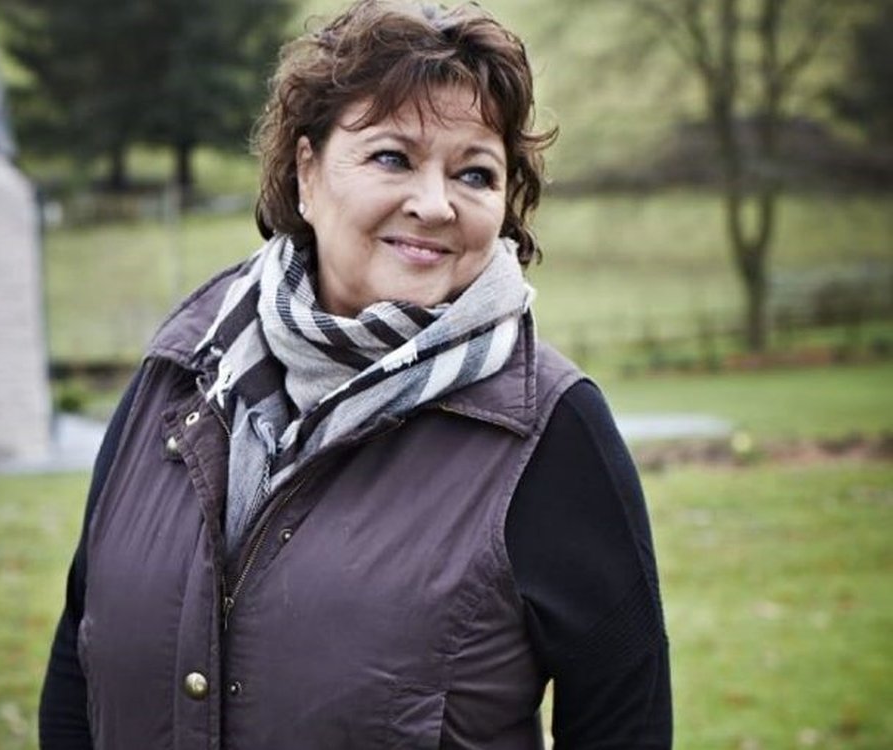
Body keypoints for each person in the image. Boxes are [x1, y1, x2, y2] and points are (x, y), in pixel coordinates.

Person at [39, 1, 672, 747]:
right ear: (306, 172)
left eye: (474, 173)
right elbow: (78, 672)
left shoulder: (549, 429)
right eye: (392, 157)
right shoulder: (178, 375)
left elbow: (622, 725)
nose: (435, 205)